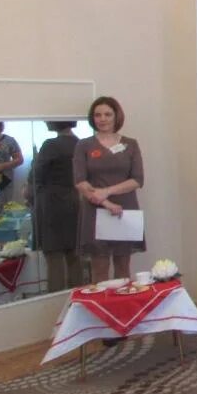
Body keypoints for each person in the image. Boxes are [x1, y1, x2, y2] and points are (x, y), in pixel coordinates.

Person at [73, 96, 145, 284]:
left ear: (116, 116)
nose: (102, 119)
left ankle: (123, 303)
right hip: (96, 210)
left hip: (124, 210)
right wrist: (105, 202)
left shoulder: (130, 144)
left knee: (123, 267)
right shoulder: (84, 145)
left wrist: (107, 191)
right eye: (98, 115)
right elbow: (80, 182)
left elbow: (137, 180)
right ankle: (101, 304)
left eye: (107, 114)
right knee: (99, 268)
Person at [31, 121, 82, 291]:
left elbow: (37, 176)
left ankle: (56, 299)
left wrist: (30, 193)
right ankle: (78, 296)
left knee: (54, 257)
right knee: (74, 255)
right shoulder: (80, 143)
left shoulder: (50, 145)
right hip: (75, 201)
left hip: (51, 205)